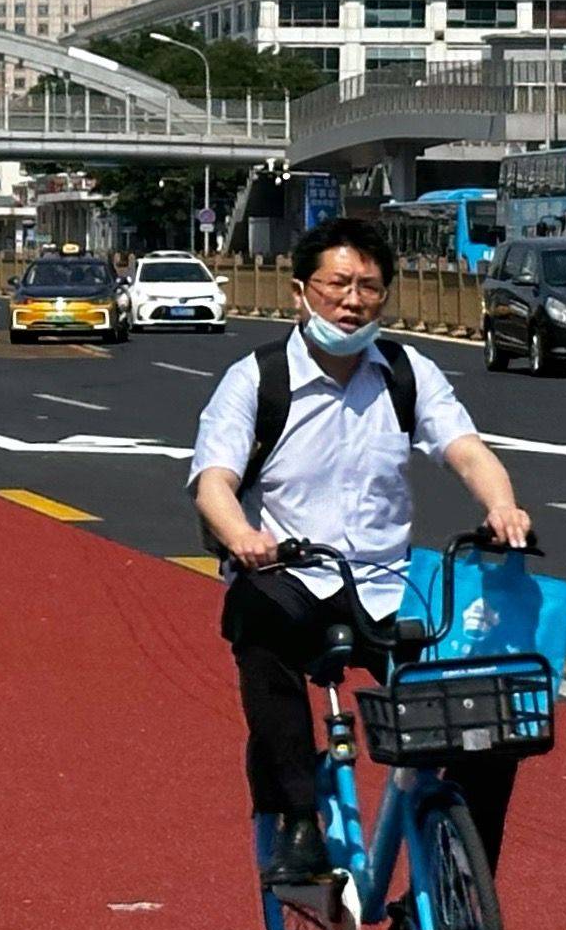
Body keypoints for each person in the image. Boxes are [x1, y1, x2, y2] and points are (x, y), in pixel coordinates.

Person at [187, 217, 532, 890]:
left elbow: (463, 447)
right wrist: (242, 538)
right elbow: (215, 483)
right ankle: (295, 821)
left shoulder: (406, 373)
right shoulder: (254, 379)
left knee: (487, 722)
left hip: (389, 583)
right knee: (259, 628)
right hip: (289, 573)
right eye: (337, 284)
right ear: (299, 292)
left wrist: (500, 506)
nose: (352, 300)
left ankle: (461, 890)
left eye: (368, 287)